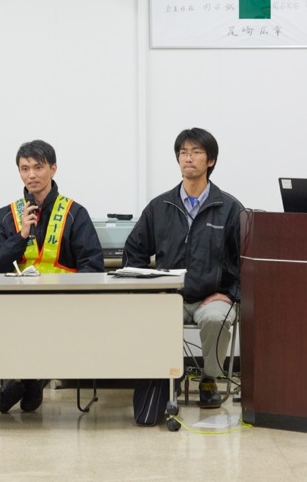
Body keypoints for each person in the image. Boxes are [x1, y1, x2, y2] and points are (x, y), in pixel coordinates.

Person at [123, 128, 243, 409]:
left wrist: (230, 293)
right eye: (183, 152)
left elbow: (246, 259)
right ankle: (167, 378)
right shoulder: (160, 206)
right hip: (170, 295)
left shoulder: (229, 208)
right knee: (150, 316)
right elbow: (134, 251)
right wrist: (150, 290)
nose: (188, 158)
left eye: (196, 152)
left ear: (210, 161)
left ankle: (209, 379)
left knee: (217, 317)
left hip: (210, 297)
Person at [0, 139, 104, 413]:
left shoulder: (75, 213)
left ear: (53, 169)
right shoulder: (8, 216)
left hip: (62, 303)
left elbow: (93, 266)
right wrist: (22, 236)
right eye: (25, 168)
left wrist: (71, 294)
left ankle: (22, 379)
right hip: (18, 302)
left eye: (38, 167)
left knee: (37, 324)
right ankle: (31, 381)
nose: (31, 175)